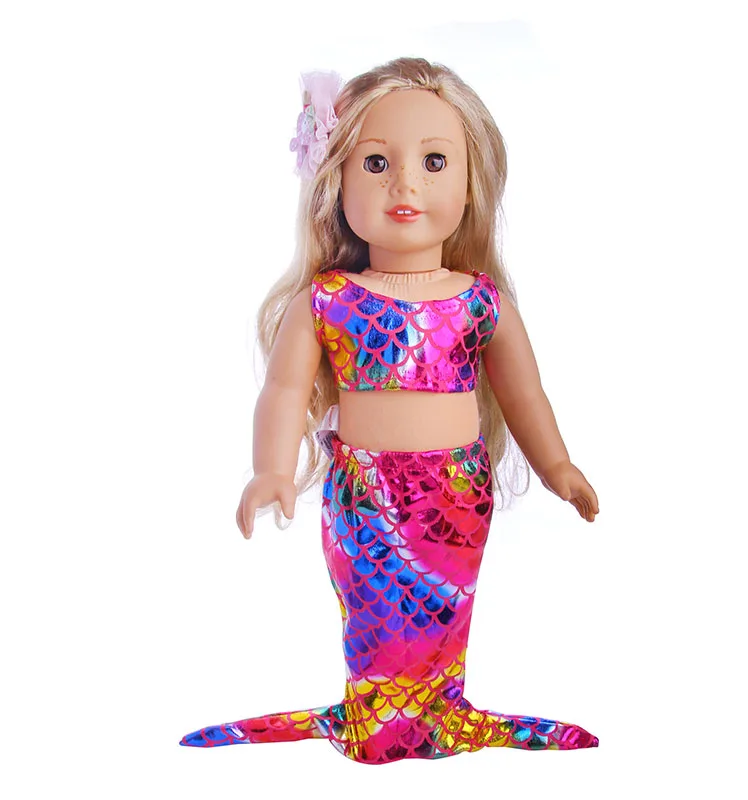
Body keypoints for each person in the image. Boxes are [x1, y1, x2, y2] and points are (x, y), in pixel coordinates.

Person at [179, 57, 600, 765]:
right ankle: (376, 719)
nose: (405, 184)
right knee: (372, 618)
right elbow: (282, 392)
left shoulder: (480, 301)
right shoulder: (328, 300)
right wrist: (270, 471)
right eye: (376, 163)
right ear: (337, 179)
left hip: (456, 493)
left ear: (471, 181)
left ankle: (440, 716)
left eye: (435, 162)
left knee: (444, 612)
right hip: (363, 495)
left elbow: (526, 394)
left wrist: (558, 465)